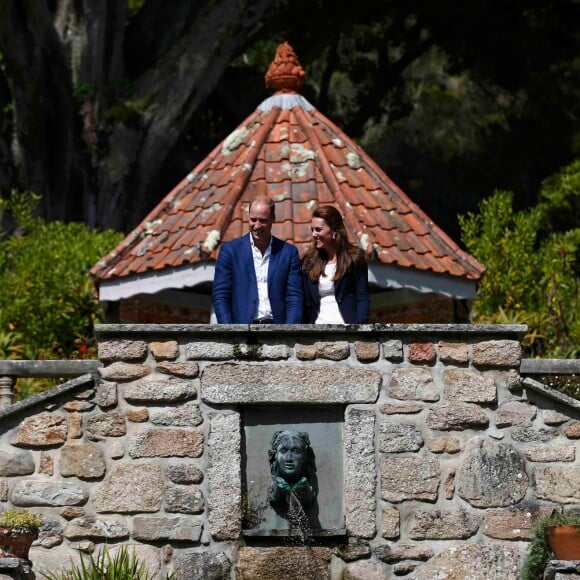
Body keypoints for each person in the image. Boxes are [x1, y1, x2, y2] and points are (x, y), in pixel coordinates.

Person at [212, 195, 303, 324]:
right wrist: (229, 331)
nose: (257, 225)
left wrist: (290, 332)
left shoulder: (288, 253)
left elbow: (294, 297)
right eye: (253, 219)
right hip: (242, 330)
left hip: (278, 330)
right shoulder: (230, 251)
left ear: (273, 219)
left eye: (263, 220)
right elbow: (221, 294)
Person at [301, 205, 369, 324]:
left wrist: (359, 329)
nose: (314, 234)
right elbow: (306, 303)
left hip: (348, 330)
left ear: (333, 230)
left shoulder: (354, 258)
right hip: (317, 331)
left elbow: (362, 298)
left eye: (318, 229)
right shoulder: (309, 262)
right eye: (312, 230)